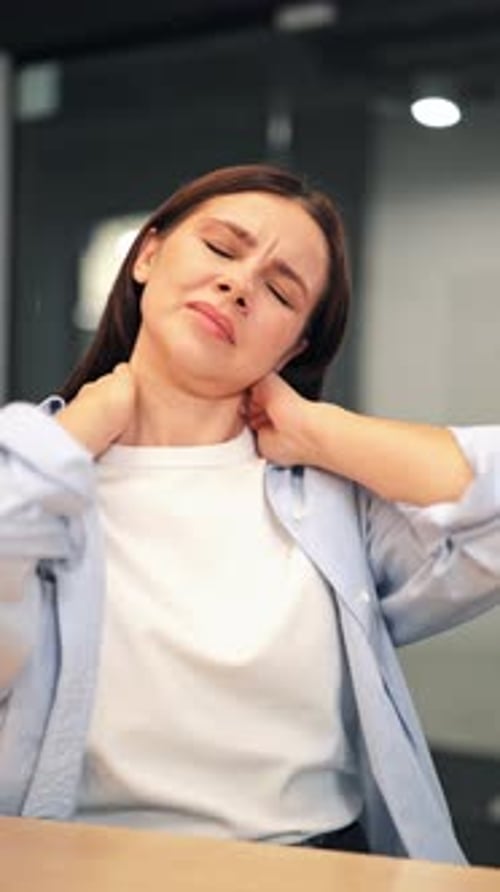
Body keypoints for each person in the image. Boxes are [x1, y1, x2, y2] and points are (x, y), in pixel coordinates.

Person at [1, 164, 500, 865]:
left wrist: (320, 431)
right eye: (223, 249)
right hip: (84, 868)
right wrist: (77, 433)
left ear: (292, 347)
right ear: (147, 255)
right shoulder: (30, 469)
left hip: (318, 869)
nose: (239, 285)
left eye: (279, 290)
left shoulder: (331, 504)